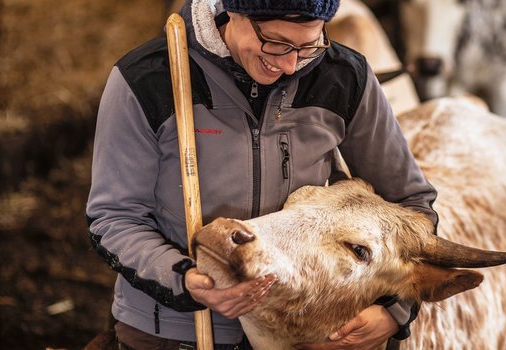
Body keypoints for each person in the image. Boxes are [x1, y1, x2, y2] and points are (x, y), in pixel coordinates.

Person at [86, 0, 438, 349]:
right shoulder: (146, 79)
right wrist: (186, 281)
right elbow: (116, 217)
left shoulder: (344, 76)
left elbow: (410, 207)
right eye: (276, 42)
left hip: (298, 329)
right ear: (235, 11)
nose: (288, 64)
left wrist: (394, 310)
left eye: (308, 45)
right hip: (173, 330)